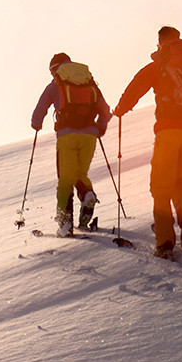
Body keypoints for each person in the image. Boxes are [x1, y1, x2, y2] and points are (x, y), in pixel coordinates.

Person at [113, 27, 182, 258]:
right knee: (180, 179)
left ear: (160, 43)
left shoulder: (159, 64)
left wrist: (121, 109)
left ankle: (164, 242)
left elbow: (136, 87)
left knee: (161, 186)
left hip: (168, 129)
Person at [31, 53, 114, 236]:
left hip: (66, 135)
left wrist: (36, 123)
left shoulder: (56, 85)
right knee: (80, 174)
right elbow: (105, 111)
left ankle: (65, 223)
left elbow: (41, 107)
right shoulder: (89, 82)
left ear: (55, 69)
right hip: (89, 136)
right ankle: (87, 195)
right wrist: (99, 128)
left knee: (65, 180)